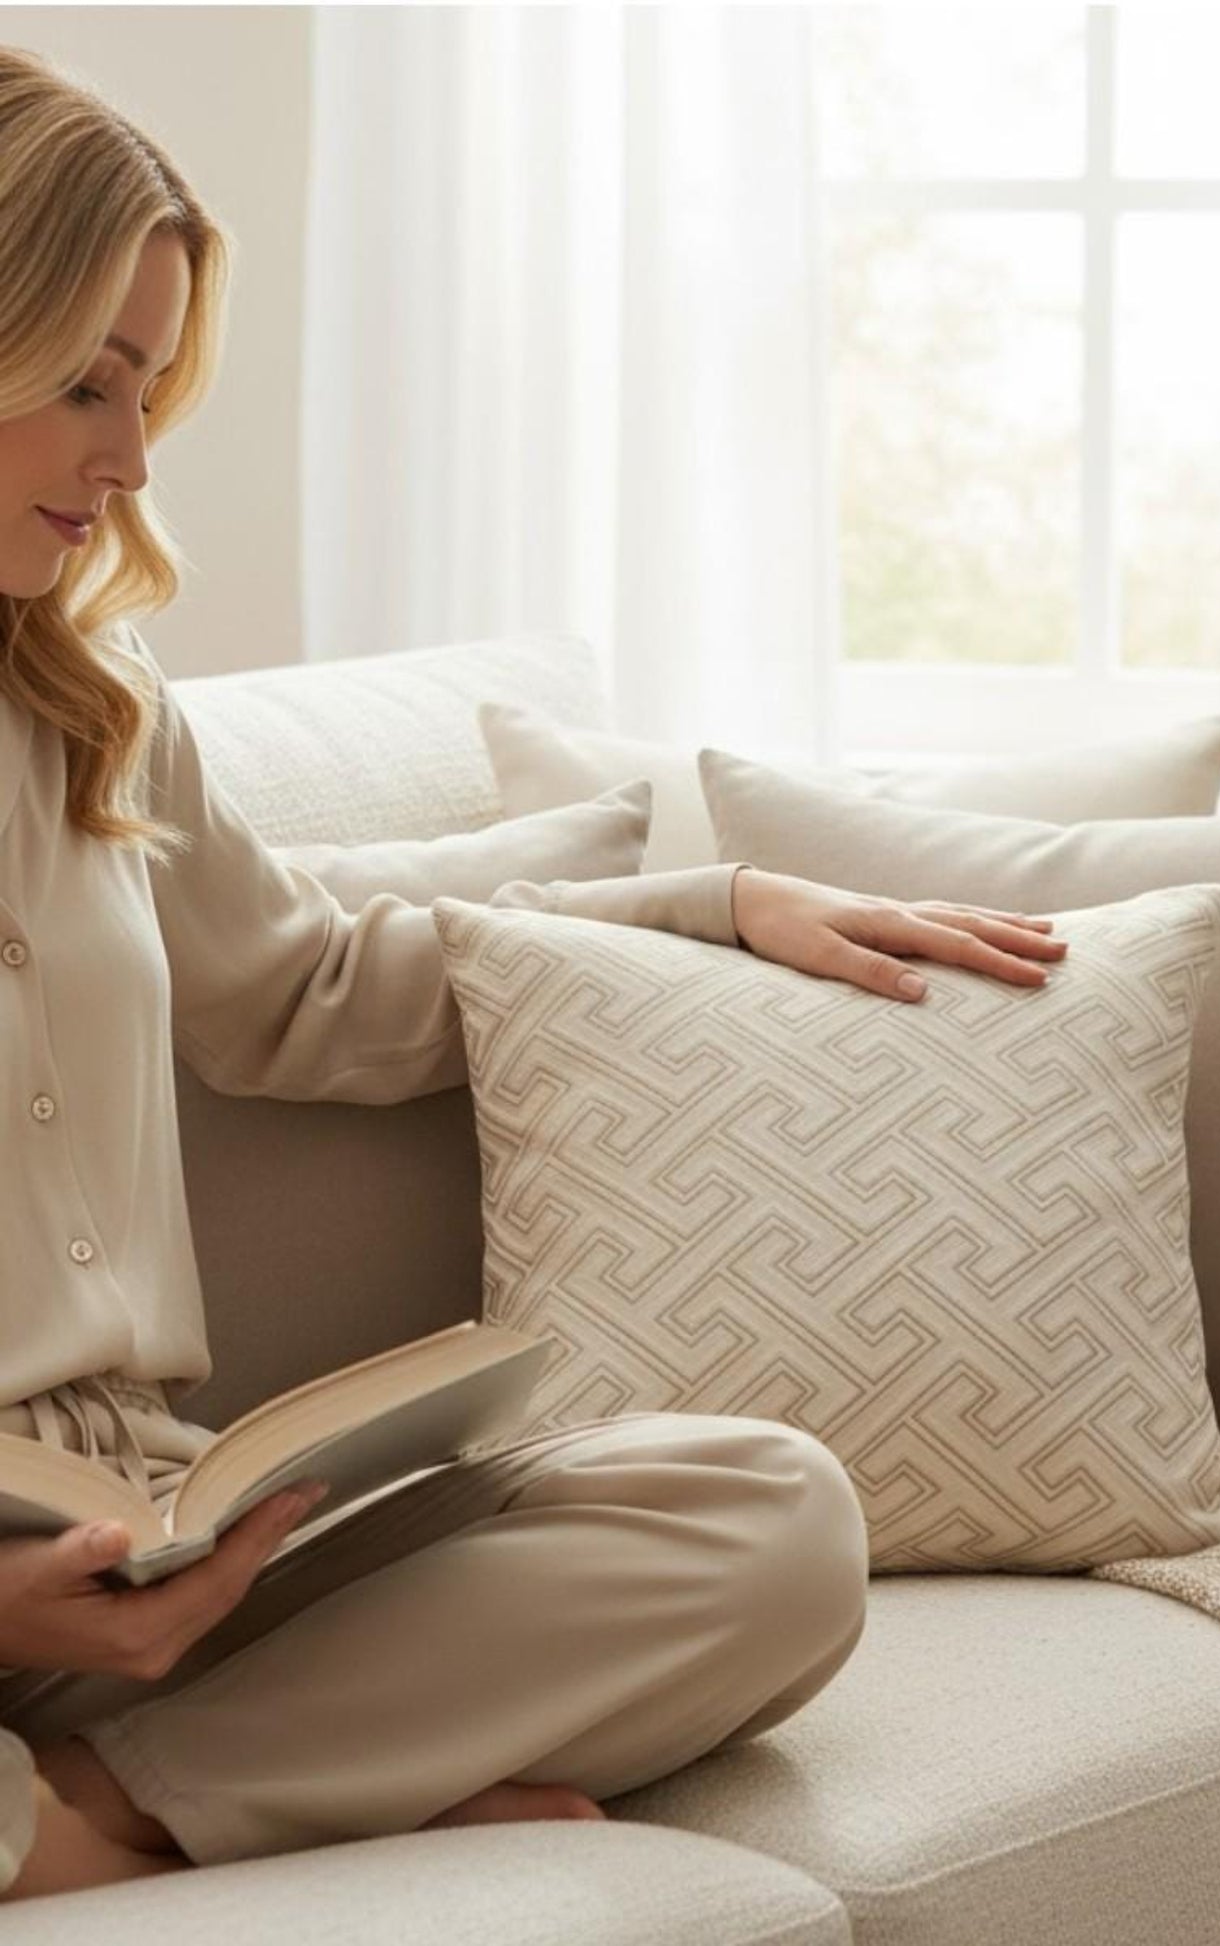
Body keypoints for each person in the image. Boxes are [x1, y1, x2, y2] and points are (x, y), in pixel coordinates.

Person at [0, 46, 1068, 1904]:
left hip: (173, 1531)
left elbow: (310, 990)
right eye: (89, 379)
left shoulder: (99, 713)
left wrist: (713, 904)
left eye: (153, 389)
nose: (134, 456)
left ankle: (102, 1814)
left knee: (769, 1518)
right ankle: (203, 1805)